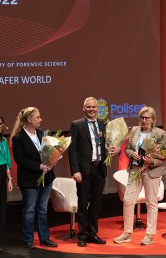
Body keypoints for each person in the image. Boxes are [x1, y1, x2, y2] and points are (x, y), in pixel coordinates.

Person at [68, 97, 120, 247]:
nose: (91, 109)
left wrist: (115, 150)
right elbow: (72, 150)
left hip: (99, 169)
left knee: (96, 204)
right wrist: (75, 170)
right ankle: (82, 235)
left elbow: (110, 145)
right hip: (83, 170)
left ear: (98, 109)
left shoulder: (104, 124)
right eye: (88, 107)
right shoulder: (76, 125)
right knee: (83, 203)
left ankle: (92, 233)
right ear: (83, 109)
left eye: (94, 107)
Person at [113, 106, 166, 245]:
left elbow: (164, 156)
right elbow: (128, 149)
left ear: (153, 119)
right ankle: (127, 233)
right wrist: (132, 154)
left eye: (147, 118)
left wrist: (152, 161)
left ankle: (149, 234)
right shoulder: (134, 130)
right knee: (128, 200)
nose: (144, 120)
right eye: (142, 118)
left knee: (151, 203)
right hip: (135, 169)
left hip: (150, 170)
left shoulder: (160, 133)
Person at [11, 108, 58, 249]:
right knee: (30, 210)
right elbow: (20, 160)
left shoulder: (43, 133)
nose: (40, 120)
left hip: (47, 177)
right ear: (29, 119)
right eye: (37, 118)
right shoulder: (18, 138)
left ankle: (44, 238)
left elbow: (50, 152)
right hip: (29, 179)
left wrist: (53, 160)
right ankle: (28, 239)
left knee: (43, 209)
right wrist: (39, 166)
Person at [0, 117, 13, 252]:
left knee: (2, 206)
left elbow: (6, 160)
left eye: (0, 123)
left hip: (2, 172)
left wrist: (9, 179)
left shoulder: (3, 140)